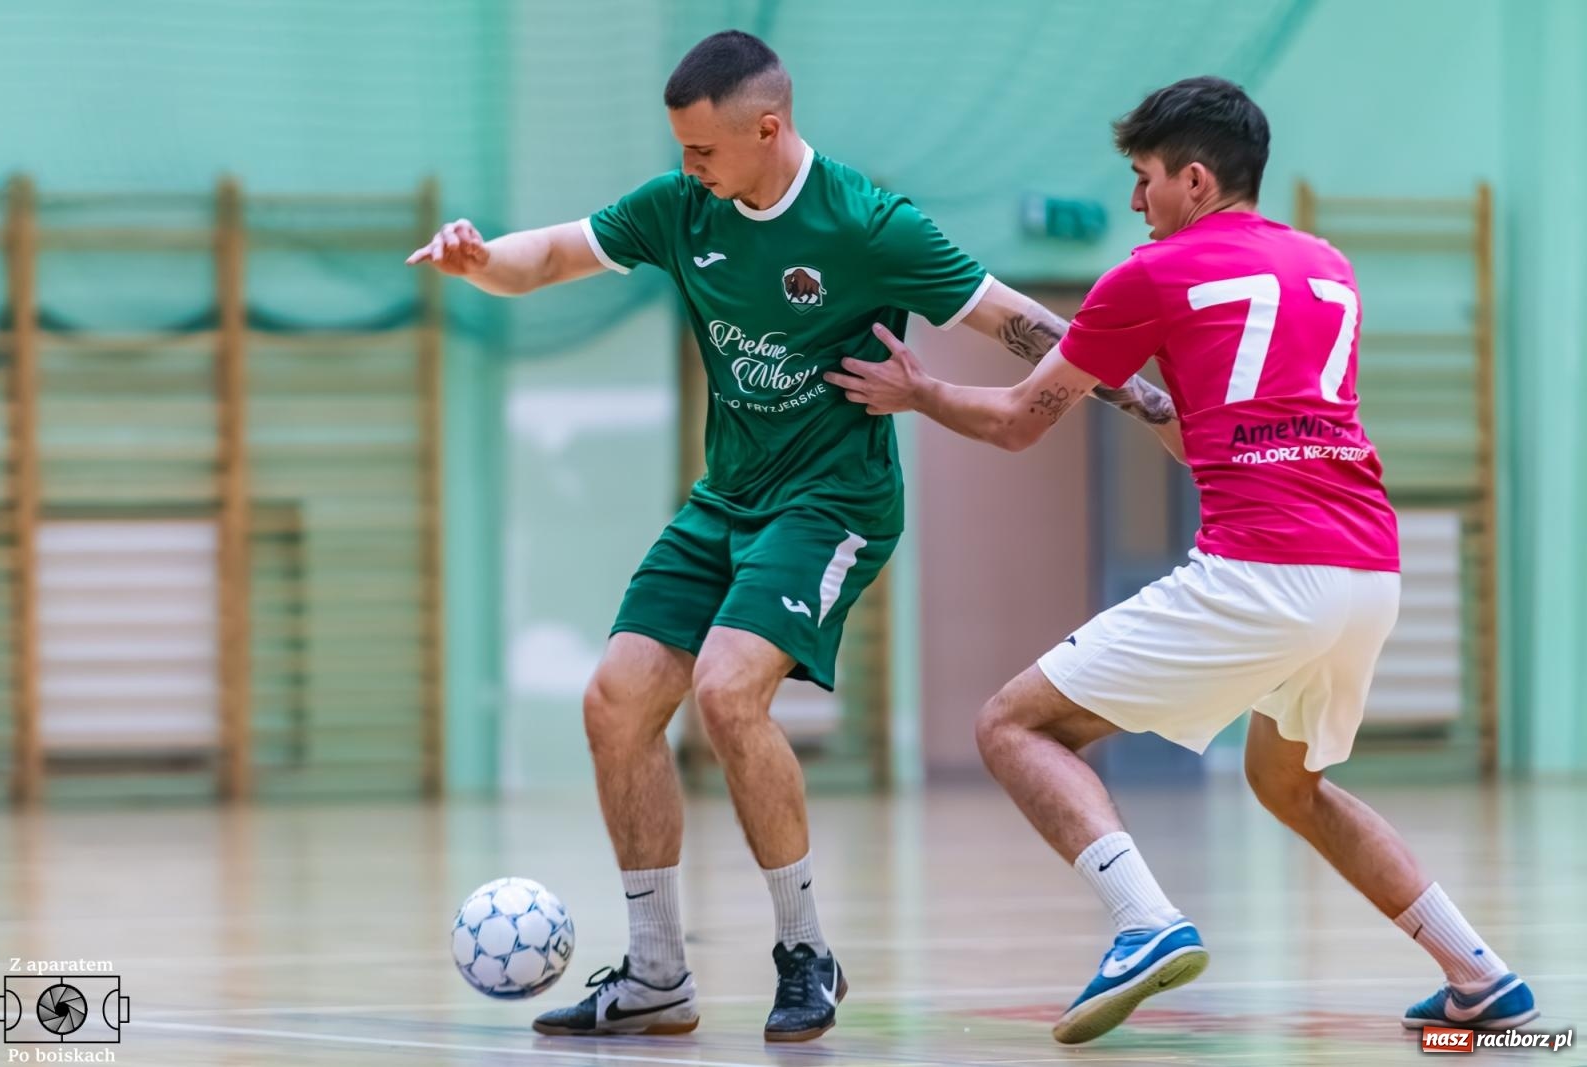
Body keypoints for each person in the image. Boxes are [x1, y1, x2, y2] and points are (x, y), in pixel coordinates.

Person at [408, 30, 1180, 1042]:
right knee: (614, 701)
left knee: (729, 691)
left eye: (703, 150)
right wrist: (478, 262)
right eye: (681, 150)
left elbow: (1008, 319)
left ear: (767, 127)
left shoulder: (865, 223)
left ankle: (803, 949)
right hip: (724, 500)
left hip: (831, 503)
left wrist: (1130, 391)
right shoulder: (685, 209)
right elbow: (549, 255)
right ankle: (654, 974)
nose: (688, 168)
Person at [825, 75, 1538, 1045]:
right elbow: (1216, 423)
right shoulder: (1327, 266)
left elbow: (1012, 424)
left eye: (1142, 177)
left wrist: (921, 392)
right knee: (1289, 783)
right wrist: (1136, 394)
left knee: (1010, 724)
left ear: (1194, 179)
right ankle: (1478, 973)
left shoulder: (1150, 276)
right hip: (1367, 568)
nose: (1132, 202)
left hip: (1262, 568)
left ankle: (1144, 921)